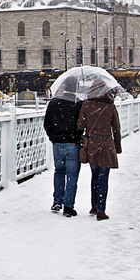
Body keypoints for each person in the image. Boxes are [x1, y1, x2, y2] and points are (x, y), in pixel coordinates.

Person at [77, 80, 123, 221]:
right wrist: (117, 146)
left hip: (92, 144)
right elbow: (116, 128)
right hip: (107, 144)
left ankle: (95, 205)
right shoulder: (110, 107)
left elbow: (80, 125)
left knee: (94, 176)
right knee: (104, 177)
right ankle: (101, 210)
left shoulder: (86, 105)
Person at [43, 83, 85, 217]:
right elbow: (81, 124)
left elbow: (47, 123)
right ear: (76, 89)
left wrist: (53, 136)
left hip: (57, 143)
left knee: (59, 171)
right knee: (72, 176)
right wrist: (77, 135)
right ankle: (68, 206)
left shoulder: (54, 102)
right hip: (72, 143)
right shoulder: (78, 104)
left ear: (64, 88)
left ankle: (57, 201)